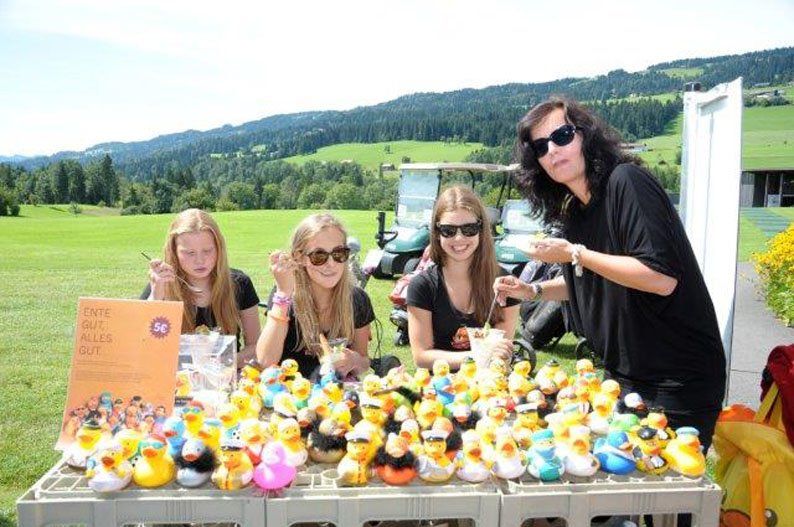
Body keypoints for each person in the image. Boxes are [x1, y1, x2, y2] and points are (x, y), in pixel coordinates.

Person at [495, 96, 726, 452]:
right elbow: (587, 280)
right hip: (622, 376)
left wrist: (575, 253)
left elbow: (660, 278)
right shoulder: (577, 212)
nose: (552, 150)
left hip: (676, 380)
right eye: (540, 147)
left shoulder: (627, 183)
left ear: (585, 136)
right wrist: (532, 290)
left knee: (664, 485)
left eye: (561, 136)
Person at [407, 185, 520, 371]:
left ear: (481, 230)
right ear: (437, 233)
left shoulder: (504, 283)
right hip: (438, 385)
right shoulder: (422, 286)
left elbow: (502, 354)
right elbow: (421, 356)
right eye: (448, 230)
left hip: (489, 383)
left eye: (469, 229)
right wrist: (477, 355)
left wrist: (494, 354)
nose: (459, 238)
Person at [256, 213, 374, 379]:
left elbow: (364, 361)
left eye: (339, 253)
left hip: (337, 392)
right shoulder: (286, 296)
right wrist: (282, 294)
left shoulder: (356, 299)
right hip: (290, 392)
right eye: (319, 255)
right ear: (299, 258)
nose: (331, 263)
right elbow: (264, 362)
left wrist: (354, 360)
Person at [143, 208, 261, 367]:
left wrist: (222, 363)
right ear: (174, 252)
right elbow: (143, 346)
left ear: (219, 248)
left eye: (207, 250)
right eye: (190, 253)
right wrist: (156, 297)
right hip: (177, 379)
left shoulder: (239, 283)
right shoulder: (161, 285)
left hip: (224, 377)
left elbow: (256, 347)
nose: (200, 260)